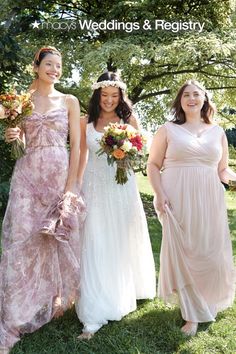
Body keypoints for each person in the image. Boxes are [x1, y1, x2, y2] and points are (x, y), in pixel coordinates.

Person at [0, 46, 86, 353]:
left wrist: (71, 187)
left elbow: (76, 147)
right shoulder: (21, 100)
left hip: (58, 176)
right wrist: (15, 137)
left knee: (55, 239)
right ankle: (21, 308)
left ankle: (55, 298)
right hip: (27, 177)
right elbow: (21, 142)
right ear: (36, 67)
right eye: (49, 64)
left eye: (59, 65)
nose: (54, 69)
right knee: (24, 240)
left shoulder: (69, 101)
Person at [147, 79, 236, 336]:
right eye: (186, 95)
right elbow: (152, 165)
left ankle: (206, 300)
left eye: (196, 94)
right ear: (180, 101)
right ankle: (191, 315)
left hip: (209, 199)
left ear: (205, 99)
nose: (191, 98)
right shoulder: (168, 129)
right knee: (184, 252)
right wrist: (159, 193)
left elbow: (222, 170)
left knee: (208, 251)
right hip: (175, 197)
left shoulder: (218, 132)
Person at [76, 72, 156, 339]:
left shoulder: (128, 119)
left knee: (120, 240)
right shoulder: (83, 122)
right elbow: (80, 157)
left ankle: (124, 289)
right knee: (96, 240)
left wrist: (126, 154)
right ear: (97, 95)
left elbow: (141, 152)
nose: (109, 100)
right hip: (94, 187)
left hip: (122, 188)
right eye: (104, 95)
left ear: (121, 97)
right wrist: (75, 188)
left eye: (114, 95)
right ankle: (94, 308)